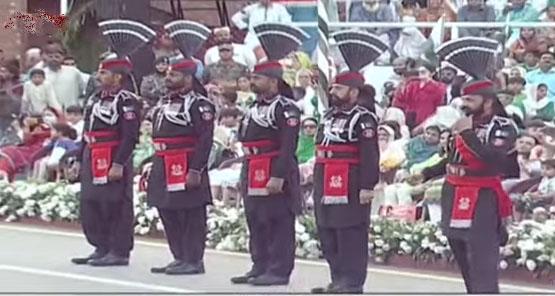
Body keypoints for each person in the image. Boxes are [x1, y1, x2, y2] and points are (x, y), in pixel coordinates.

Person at [416, 38, 519, 293]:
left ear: (487, 101)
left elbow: (494, 162)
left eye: (470, 101)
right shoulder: (464, 124)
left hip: (482, 194)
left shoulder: (503, 127)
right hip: (454, 190)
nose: (464, 105)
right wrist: (428, 172)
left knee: (481, 252)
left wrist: (469, 134)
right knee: (459, 247)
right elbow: (451, 158)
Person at [71, 20, 154, 267]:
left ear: (117, 77)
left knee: (115, 204)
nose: (99, 76)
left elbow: (130, 135)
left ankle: (118, 251)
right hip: (92, 153)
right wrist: (78, 157)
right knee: (91, 202)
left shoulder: (127, 101)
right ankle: (100, 245)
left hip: (113, 155)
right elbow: (86, 130)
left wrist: (119, 163)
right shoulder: (95, 98)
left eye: (104, 72)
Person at [231, 23, 306, 286]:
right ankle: (259, 264)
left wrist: (278, 176)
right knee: (256, 217)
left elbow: (288, 145)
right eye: (252, 78)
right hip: (252, 166)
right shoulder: (253, 106)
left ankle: (278, 269)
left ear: (273, 82)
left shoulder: (286, 108)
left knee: (277, 219)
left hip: (275, 166)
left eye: (257, 79)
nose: (252, 82)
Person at [311, 30, 383, 294]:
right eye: (332, 87)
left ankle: (352, 282)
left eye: (338, 88)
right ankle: (337, 278)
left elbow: (370, 154)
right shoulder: (329, 115)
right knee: (328, 229)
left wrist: (367, 185)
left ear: (353, 91)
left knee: (350, 231)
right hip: (324, 177)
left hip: (351, 179)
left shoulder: (363, 118)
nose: (332, 91)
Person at [146, 20, 214, 275]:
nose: (168, 77)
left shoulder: (199, 104)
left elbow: (205, 138)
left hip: (187, 162)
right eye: (168, 74)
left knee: (190, 213)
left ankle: (194, 259)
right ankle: (179, 255)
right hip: (164, 160)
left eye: (173, 74)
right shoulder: (165, 102)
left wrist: (196, 169)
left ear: (187, 78)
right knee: (167, 208)